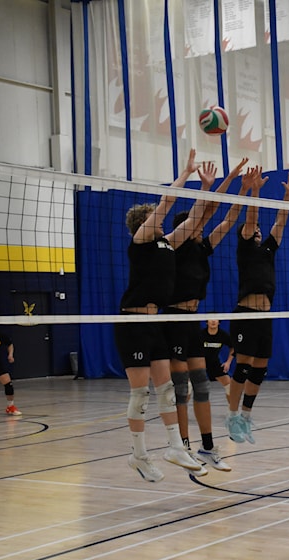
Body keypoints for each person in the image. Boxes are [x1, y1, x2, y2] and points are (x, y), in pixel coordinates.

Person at [115, 148, 206, 482]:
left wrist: (205, 188)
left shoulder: (166, 243)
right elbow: (165, 205)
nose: (162, 220)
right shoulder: (140, 241)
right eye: (155, 217)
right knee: (141, 393)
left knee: (166, 388)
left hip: (155, 323)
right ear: (143, 222)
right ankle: (138, 454)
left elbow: (193, 222)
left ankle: (173, 446)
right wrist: (184, 176)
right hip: (133, 323)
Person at [165, 158, 249, 474]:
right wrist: (208, 185)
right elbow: (206, 209)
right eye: (197, 226)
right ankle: (182, 448)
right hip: (172, 319)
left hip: (192, 322)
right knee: (182, 389)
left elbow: (227, 219)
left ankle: (208, 448)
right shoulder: (176, 246)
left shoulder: (202, 247)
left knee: (202, 386)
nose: (203, 228)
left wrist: (240, 188)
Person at [225, 169, 289, 444]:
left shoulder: (268, 248)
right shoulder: (244, 247)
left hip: (265, 315)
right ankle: (231, 416)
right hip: (245, 313)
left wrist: (288, 197)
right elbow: (251, 216)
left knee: (260, 367)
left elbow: (281, 221)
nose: (256, 228)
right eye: (251, 228)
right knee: (242, 366)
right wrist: (254, 190)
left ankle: (245, 416)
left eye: (257, 229)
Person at [202, 318, 235, 401]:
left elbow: (233, 348)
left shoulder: (223, 335)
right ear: (206, 322)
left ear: (219, 322)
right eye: (211, 319)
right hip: (200, 363)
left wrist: (228, 362)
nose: (213, 321)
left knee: (229, 386)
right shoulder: (200, 334)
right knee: (188, 387)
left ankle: (232, 411)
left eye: (216, 319)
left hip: (214, 363)